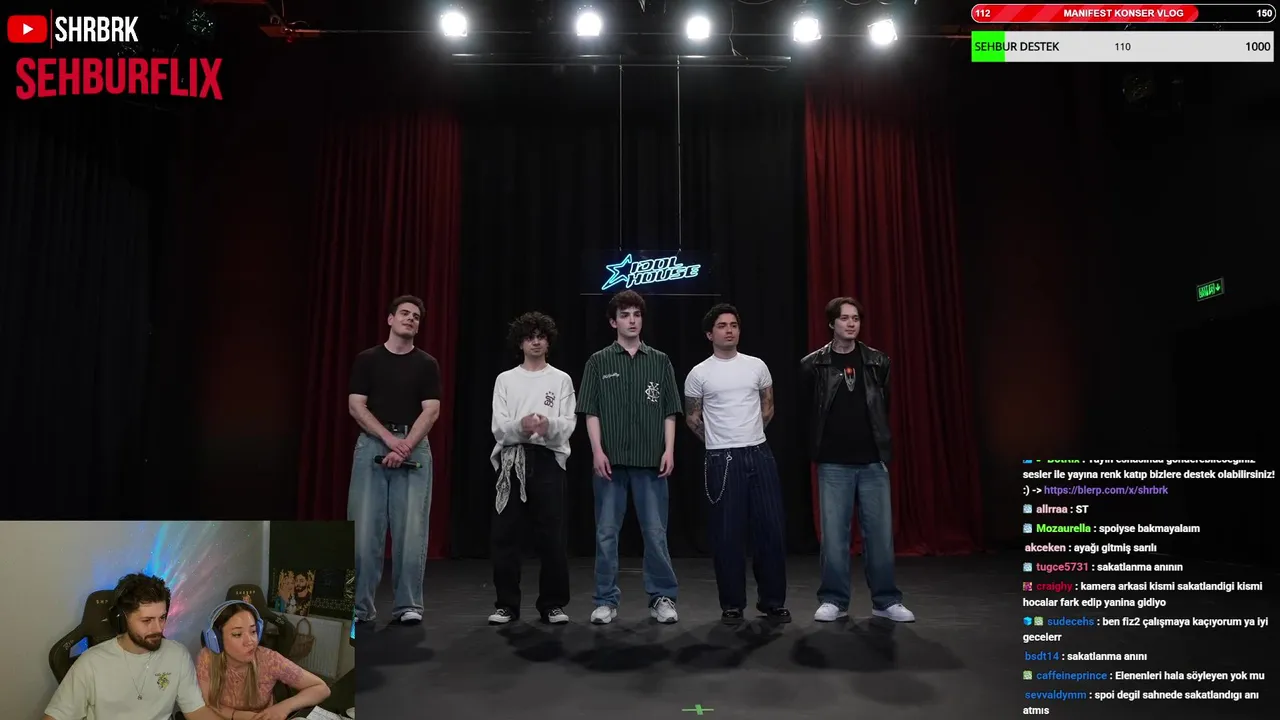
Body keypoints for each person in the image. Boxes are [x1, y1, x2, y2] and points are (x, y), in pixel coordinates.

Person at [800, 296, 915, 623]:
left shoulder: (878, 362)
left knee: (879, 537)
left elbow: (883, 407)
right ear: (832, 323)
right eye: (844, 318)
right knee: (834, 538)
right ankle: (834, 600)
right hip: (833, 463)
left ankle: (886, 600)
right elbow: (807, 412)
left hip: (872, 462)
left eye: (856, 318)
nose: (851, 324)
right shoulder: (813, 365)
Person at [578, 290, 682, 624]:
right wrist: (597, 451)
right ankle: (605, 600)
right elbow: (590, 411)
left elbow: (669, 411)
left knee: (655, 533)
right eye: (625, 315)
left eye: (637, 314)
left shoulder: (660, 360)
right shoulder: (598, 361)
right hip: (610, 463)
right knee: (606, 534)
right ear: (613, 322)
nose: (632, 320)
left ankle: (662, 597)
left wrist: (669, 449)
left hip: (651, 461)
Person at [684, 303, 790, 623]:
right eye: (722, 326)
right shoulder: (699, 373)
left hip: (759, 453)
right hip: (722, 459)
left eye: (733, 325)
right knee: (727, 535)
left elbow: (768, 408)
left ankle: (772, 602)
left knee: (770, 531)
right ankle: (732, 604)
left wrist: (749, 434)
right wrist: (720, 441)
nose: (729, 330)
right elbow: (692, 418)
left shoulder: (756, 366)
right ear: (709, 334)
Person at [348, 294, 443, 626]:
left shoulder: (427, 364)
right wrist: (389, 441)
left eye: (416, 316)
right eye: (404, 313)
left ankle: (408, 605)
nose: (410, 319)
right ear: (390, 319)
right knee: (363, 533)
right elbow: (356, 406)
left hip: (413, 446)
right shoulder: (367, 360)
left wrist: (405, 445)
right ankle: (360, 607)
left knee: (411, 532)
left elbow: (431, 410)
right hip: (373, 444)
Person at [487, 312, 577, 625]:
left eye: (541, 337)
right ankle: (506, 605)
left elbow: (568, 423)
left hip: (548, 459)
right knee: (506, 536)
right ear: (520, 343)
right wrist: (521, 426)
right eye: (529, 337)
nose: (536, 342)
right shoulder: (506, 379)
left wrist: (546, 425)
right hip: (512, 460)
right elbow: (499, 427)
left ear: (548, 342)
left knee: (552, 536)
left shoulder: (561, 379)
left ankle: (552, 604)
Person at [43, 573, 220, 720]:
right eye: (147, 620)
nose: (158, 629)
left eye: (162, 618)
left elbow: (197, 712)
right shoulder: (90, 663)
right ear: (122, 619)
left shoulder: (177, 655)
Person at [195, 601, 331, 720]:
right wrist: (238, 716)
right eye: (237, 634)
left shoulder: (269, 660)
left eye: (253, 631)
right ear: (216, 639)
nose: (250, 641)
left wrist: (284, 706)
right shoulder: (207, 658)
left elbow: (321, 688)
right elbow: (208, 703)